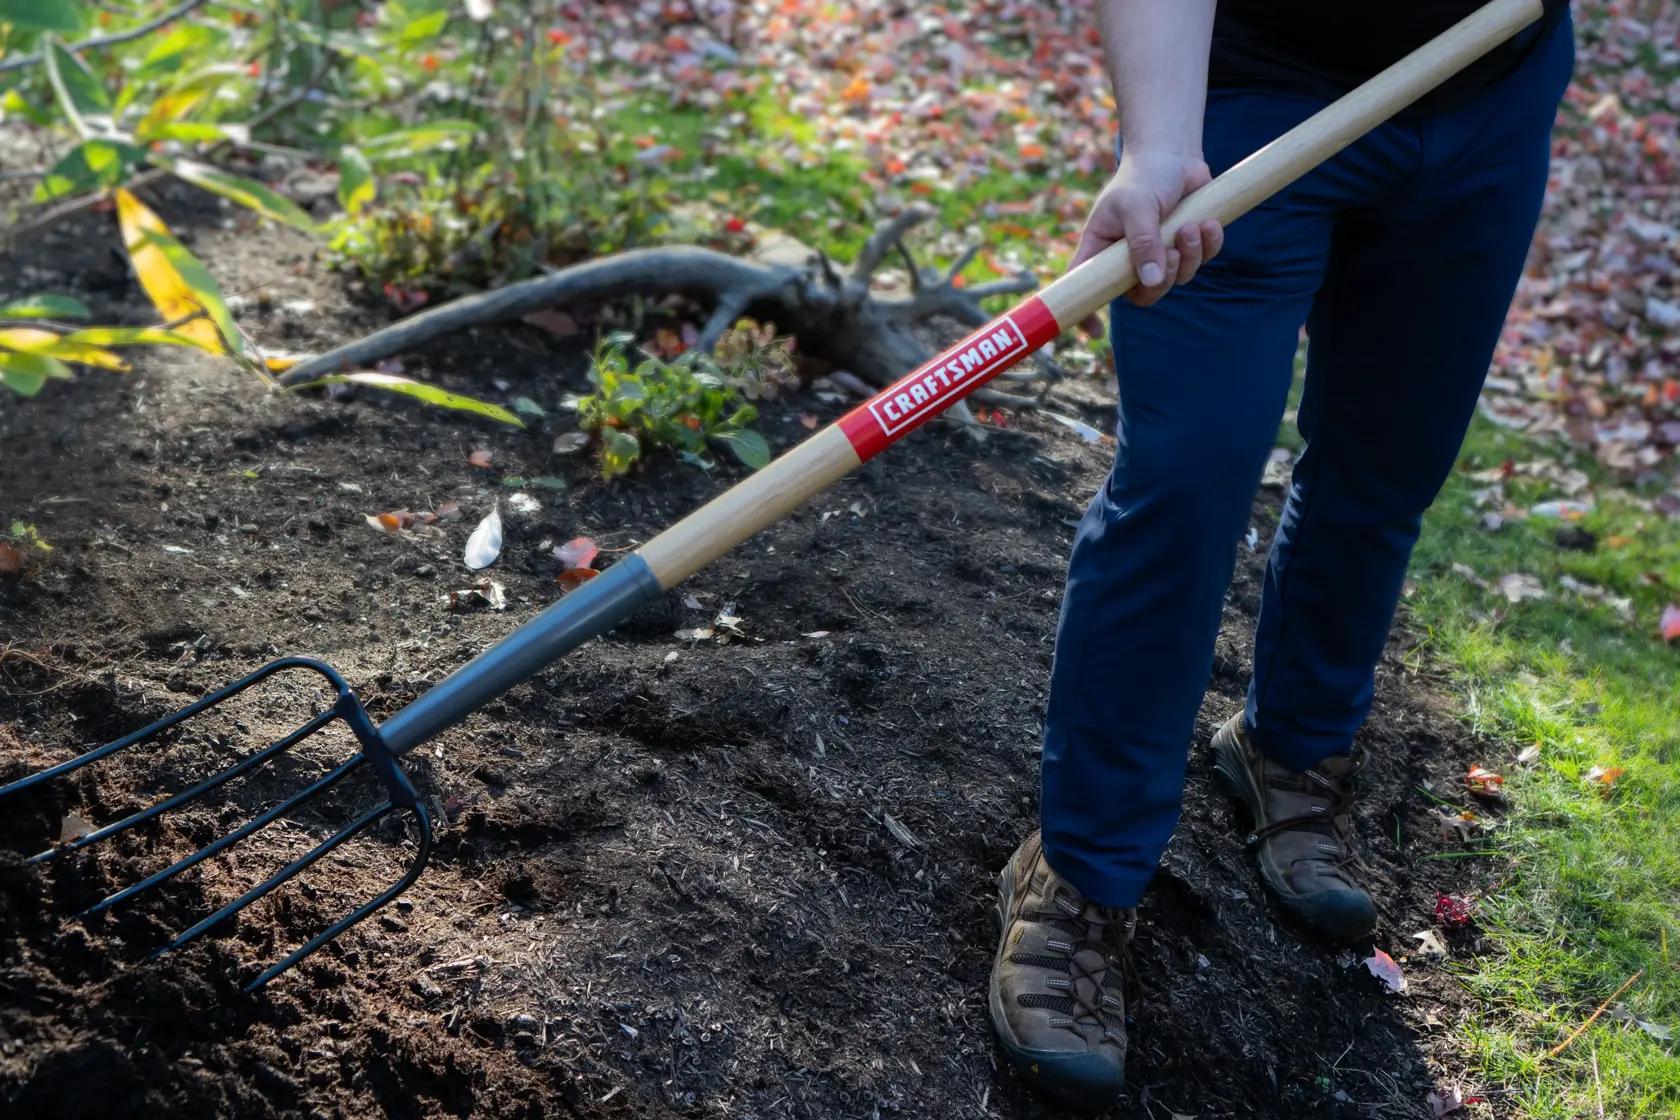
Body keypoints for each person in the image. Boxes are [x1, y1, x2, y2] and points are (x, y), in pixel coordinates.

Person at [987, 0, 1575, 1110]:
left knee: (1387, 464)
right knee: (1186, 481)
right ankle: (1079, 869)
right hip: (1244, 95)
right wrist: (1158, 144)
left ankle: (1291, 750)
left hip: (1486, 87)